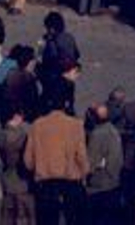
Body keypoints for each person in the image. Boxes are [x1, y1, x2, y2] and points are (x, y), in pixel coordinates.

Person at [24, 87, 88, 224]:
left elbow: (28, 161)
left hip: (45, 185)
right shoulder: (76, 125)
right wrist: (84, 173)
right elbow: (81, 156)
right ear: (65, 104)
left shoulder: (37, 125)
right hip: (70, 183)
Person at [85, 102, 124, 216]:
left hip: (100, 184)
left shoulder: (97, 134)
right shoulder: (113, 129)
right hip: (113, 181)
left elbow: (91, 161)